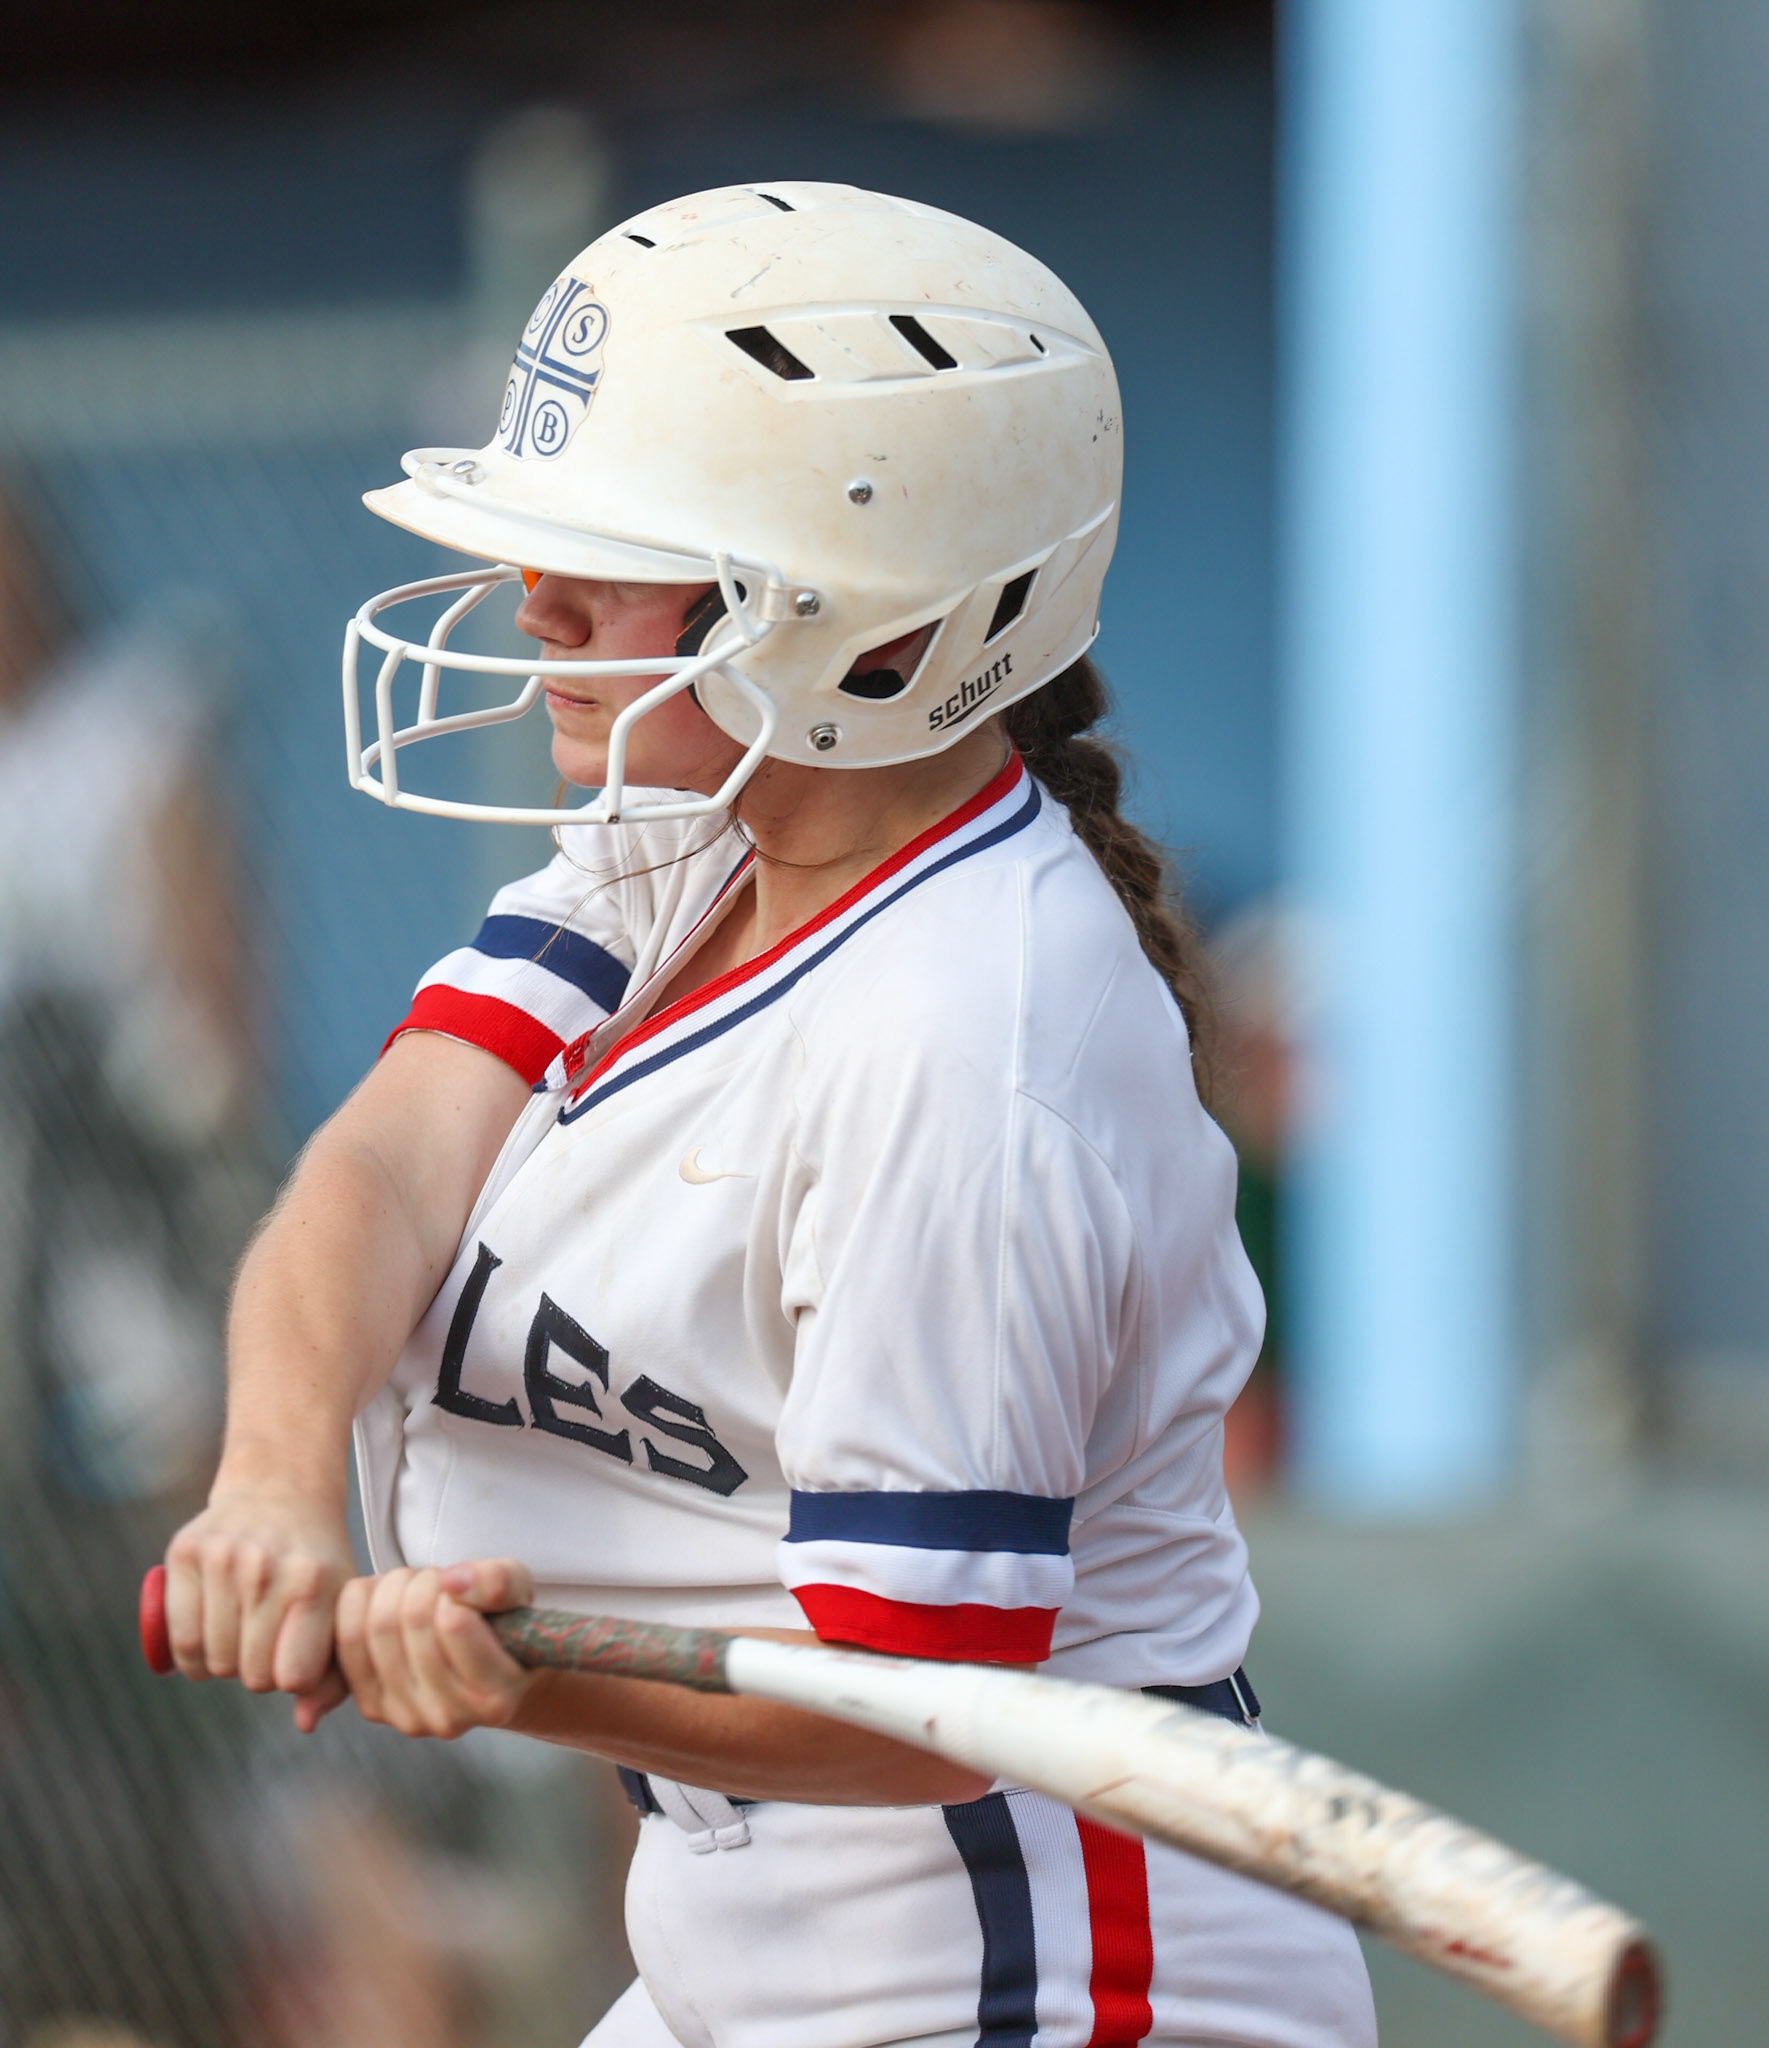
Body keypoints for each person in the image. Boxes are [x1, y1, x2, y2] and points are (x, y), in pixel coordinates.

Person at [163, 184, 1376, 2048]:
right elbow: (385, 1166)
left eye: (625, 549)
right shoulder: (688, 827)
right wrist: (271, 1487)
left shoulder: (971, 1045)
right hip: (766, 1938)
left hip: (1034, 1976)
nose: (533, 599)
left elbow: (906, 1704)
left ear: (878, 633)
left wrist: (491, 1679)